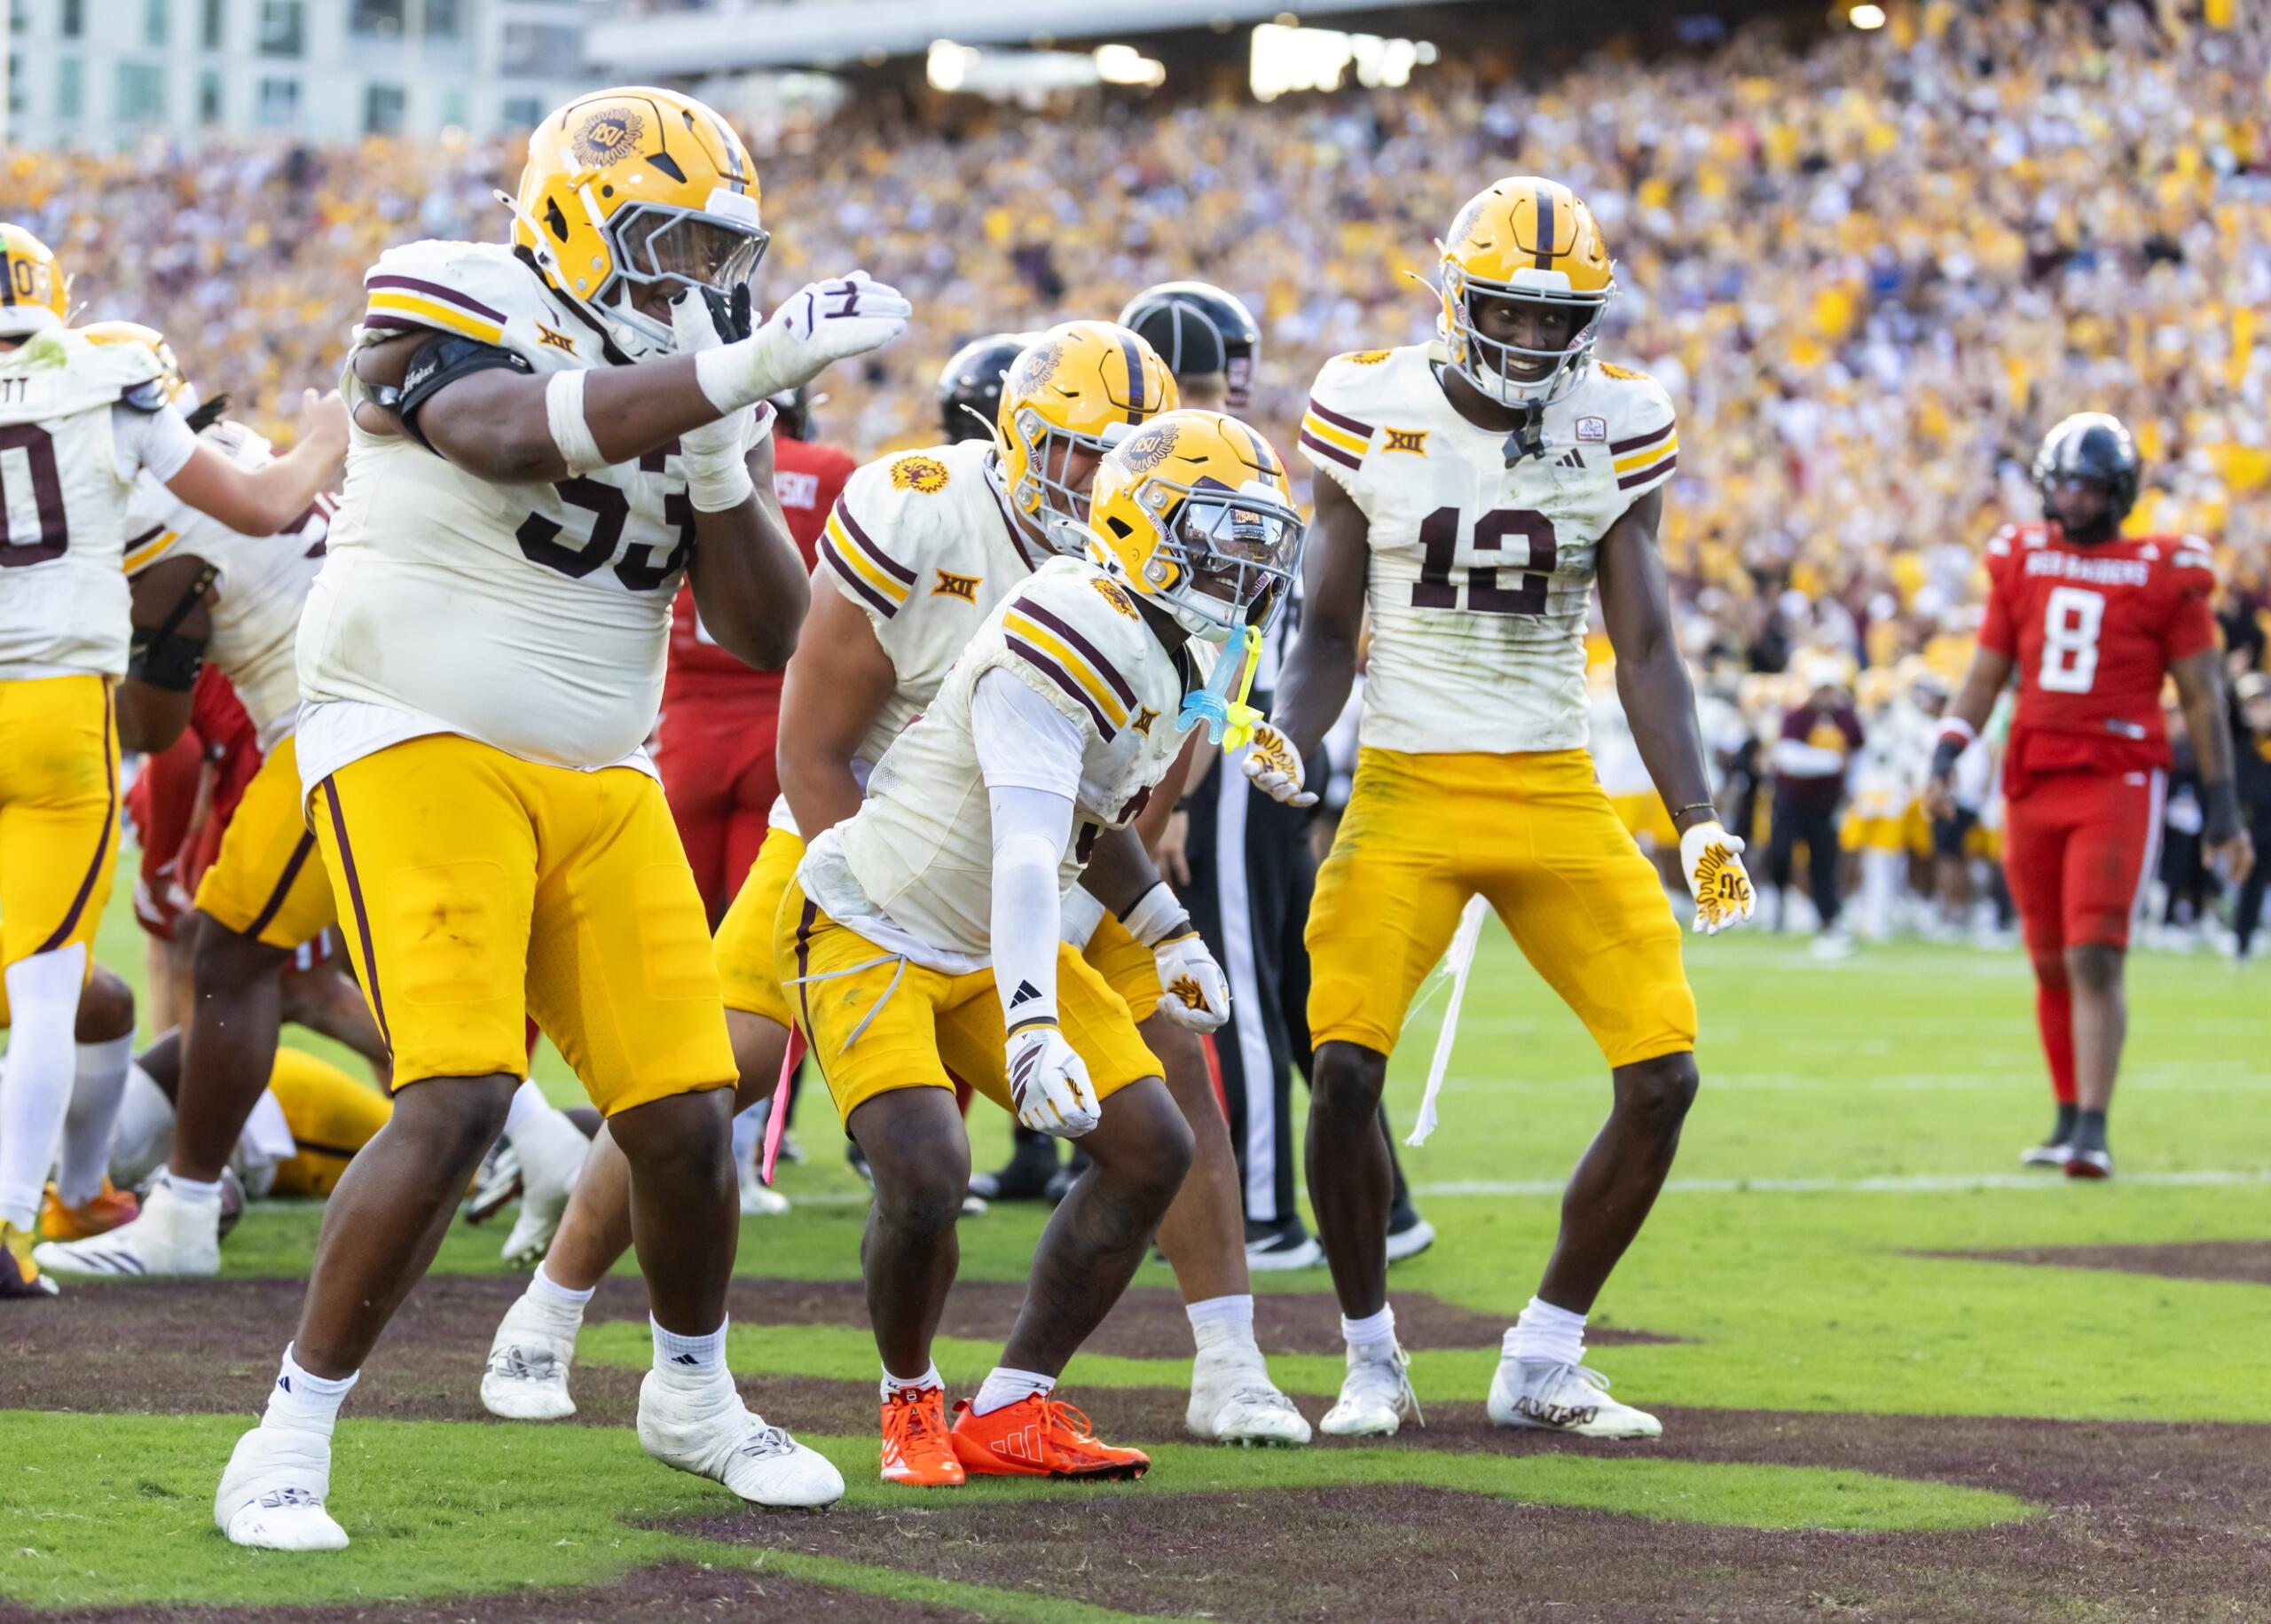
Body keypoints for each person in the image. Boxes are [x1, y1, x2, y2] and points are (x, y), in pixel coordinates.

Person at [205, 87, 913, 1549]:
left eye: (716, 253)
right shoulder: (454, 290)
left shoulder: (696, 375)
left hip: (602, 766)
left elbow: (764, 625)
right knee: (459, 1092)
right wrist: (731, 375)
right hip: (412, 733)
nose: (689, 281)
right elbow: (502, 433)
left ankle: (692, 1391)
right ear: (572, 213)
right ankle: (287, 1433)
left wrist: (726, 448)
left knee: (680, 1114)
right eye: (658, 241)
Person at [480, 326, 1308, 1455]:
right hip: (870, 832)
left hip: (1051, 843)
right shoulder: (921, 507)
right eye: (1071, 450)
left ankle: (1228, 1362)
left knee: (1165, 1068)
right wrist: (885, 916)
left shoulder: (1168, 563)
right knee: (714, 1063)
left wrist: (1122, 907)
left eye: (1117, 453)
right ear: (1016, 438)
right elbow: (814, 746)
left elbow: (1131, 774)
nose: (1089, 475)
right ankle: (551, 1310)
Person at [1246, 177, 1753, 1440]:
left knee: (1664, 1073)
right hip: (1409, 782)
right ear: (1454, 300)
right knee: (1345, 1068)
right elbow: (1323, 628)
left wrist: (1697, 816)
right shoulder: (1371, 401)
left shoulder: (1621, 420)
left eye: (1557, 318)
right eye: (1509, 315)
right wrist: (1285, 736)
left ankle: (1543, 1351)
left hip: (1552, 789)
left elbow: (1646, 646)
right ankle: (1370, 1355)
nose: (1533, 341)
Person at [777, 408, 1303, 1485]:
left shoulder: (1166, 633)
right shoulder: (1064, 620)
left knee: (1151, 1143)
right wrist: (1030, 1030)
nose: (1240, 562)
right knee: (927, 1170)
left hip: (987, 933)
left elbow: (1088, 819)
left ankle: (1014, 1404)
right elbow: (1026, 849)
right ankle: (909, 1399)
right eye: (1218, 531)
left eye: (1257, 539)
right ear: (1138, 521)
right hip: (879, 917)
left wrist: (1169, 928)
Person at [0, 224, 347, 1300]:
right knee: (54, 989)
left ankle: (111, 1193)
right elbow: (265, 504)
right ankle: (24, 1220)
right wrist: (335, 432)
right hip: (60, 709)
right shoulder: (109, 389)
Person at [1120, 279, 1431, 1268]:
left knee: (1246, 995)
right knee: (1297, 993)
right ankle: (1384, 1202)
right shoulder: (1250, 462)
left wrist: (1175, 793)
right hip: (1257, 756)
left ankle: (1259, 1209)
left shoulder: (1198, 473)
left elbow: (1222, 661)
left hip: (1227, 758)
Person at [1928, 413, 2252, 1178]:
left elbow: (2204, 698)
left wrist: (2222, 807)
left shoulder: (2167, 570)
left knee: (2094, 956)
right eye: (2064, 482)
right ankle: (2067, 1116)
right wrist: (1948, 747)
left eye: (2089, 485)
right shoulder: (2021, 557)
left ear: (2120, 493)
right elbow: (1986, 669)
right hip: (2033, 774)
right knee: (2046, 959)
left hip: (2117, 777)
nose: (2073, 498)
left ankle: (2096, 1129)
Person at [656, 386, 856, 924]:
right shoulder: (832, 470)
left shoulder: (683, 458)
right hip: (784, 721)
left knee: (671, 926)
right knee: (760, 931)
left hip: (686, 725)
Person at [1767, 657, 1864, 955]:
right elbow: (1789, 758)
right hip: (1792, 799)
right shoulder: (1797, 716)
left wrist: (1851, 787)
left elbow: (1859, 753)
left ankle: (1828, 918)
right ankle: (1780, 900)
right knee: (1780, 852)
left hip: (1824, 803)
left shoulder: (1846, 718)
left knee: (1824, 861)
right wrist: (1834, 764)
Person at [2231, 673, 2271, 962]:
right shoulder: (2244, 741)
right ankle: (2241, 944)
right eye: (2251, 706)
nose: (2256, 711)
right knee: (2251, 883)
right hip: (2256, 823)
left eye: (2261, 704)